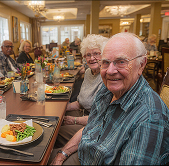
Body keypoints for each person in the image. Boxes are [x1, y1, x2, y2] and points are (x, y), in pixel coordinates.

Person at [50, 32, 169, 165]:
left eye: (121, 62)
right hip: (87, 152)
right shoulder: (108, 90)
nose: (110, 71)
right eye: (106, 62)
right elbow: (91, 127)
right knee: (47, 141)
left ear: (141, 65)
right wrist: (62, 155)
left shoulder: (149, 119)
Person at [55, 34, 108, 148]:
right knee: (54, 121)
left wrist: (74, 120)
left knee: (55, 133)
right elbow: (80, 102)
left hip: (94, 125)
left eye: (96, 54)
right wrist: (62, 107)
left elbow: (101, 118)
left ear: (104, 54)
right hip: (83, 113)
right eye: (88, 55)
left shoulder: (107, 77)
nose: (91, 58)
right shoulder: (88, 72)